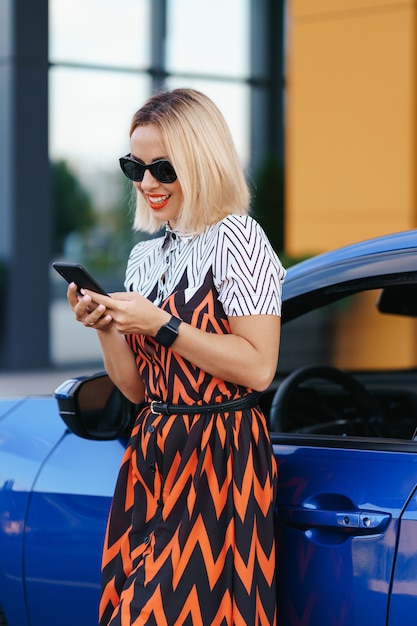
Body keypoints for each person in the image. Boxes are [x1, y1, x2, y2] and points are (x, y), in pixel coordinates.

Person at [67, 88, 286, 626]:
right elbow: (141, 391)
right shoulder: (146, 256)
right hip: (153, 454)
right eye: (134, 168)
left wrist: (161, 326)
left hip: (220, 459)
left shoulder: (241, 239)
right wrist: (107, 330)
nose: (147, 184)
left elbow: (258, 367)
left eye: (163, 168)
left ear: (201, 160)